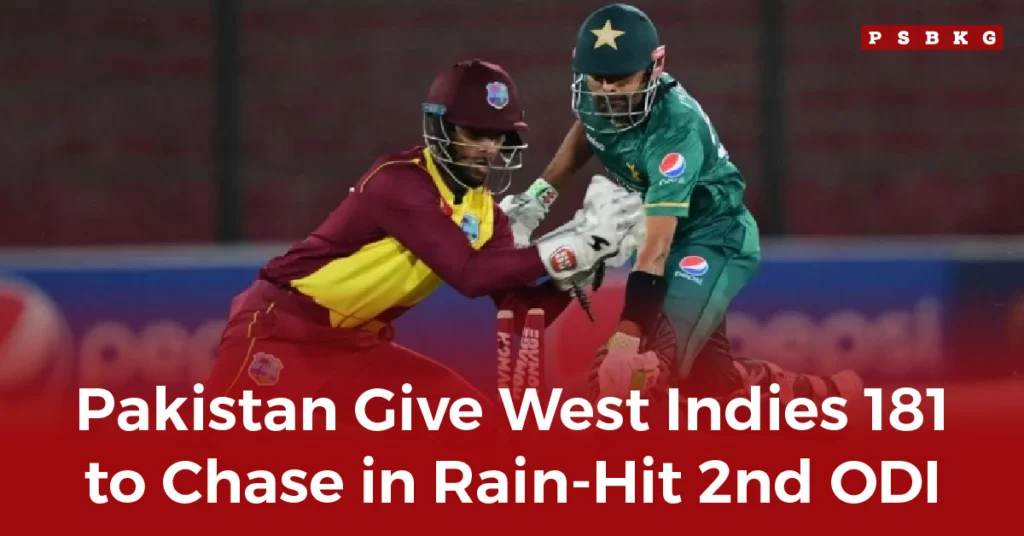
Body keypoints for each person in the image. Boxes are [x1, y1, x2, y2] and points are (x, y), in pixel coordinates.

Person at [204, 59, 643, 428]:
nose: (489, 148)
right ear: (441, 129)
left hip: (357, 346)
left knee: (481, 434)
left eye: (497, 137)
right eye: (475, 134)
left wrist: (581, 269)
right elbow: (469, 275)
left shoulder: (484, 211)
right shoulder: (398, 182)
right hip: (280, 329)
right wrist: (573, 244)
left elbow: (524, 311)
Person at [498, 4, 862, 403]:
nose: (607, 92)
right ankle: (828, 397)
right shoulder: (598, 94)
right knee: (710, 384)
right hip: (657, 229)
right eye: (597, 79)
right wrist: (538, 198)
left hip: (712, 240)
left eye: (619, 80)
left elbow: (656, 249)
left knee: (646, 370)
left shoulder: (675, 130)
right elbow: (589, 130)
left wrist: (627, 335)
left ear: (654, 68)